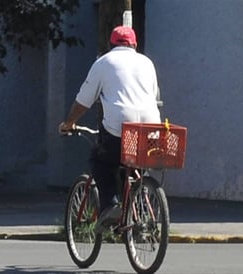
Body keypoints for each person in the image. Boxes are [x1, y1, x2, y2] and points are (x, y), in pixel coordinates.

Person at [59, 25, 161, 232]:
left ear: (110, 43)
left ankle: (110, 206)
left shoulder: (103, 62)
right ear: (134, 44)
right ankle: (140, 212)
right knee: (134, 165)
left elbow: (84, 101)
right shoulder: (147, 63)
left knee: (101, 161)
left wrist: (68, 123)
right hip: (151, 128)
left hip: (119, 126)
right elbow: (154, 95)